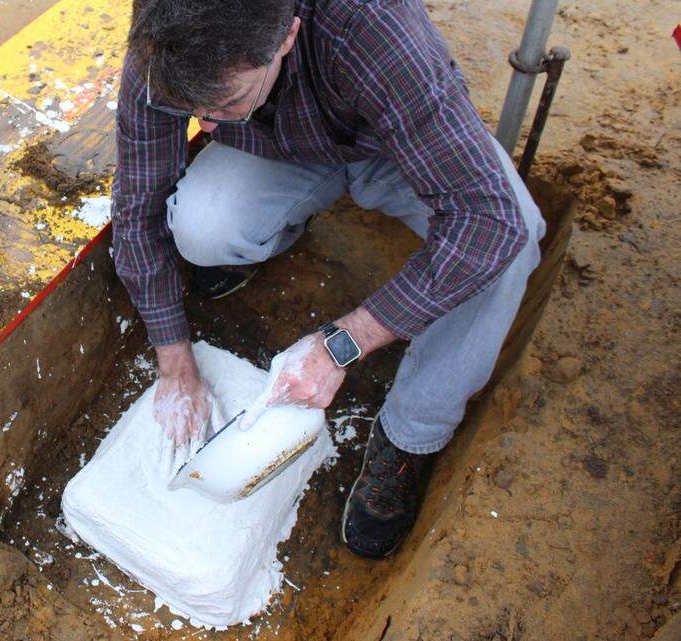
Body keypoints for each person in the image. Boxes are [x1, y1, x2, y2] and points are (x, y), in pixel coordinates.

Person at [111, 0, 544, 558]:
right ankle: (276, 229)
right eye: (189, 109)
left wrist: (344, 342)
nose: (206, 124)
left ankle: (409, 434)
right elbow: (139, 207)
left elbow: (487, 220)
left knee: (510, 248)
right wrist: (173, 358)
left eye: (223, 103)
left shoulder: (374, 30)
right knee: (201, 227)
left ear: (287, 37)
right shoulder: (164, 43)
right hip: (278, 148)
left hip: (392, 150)